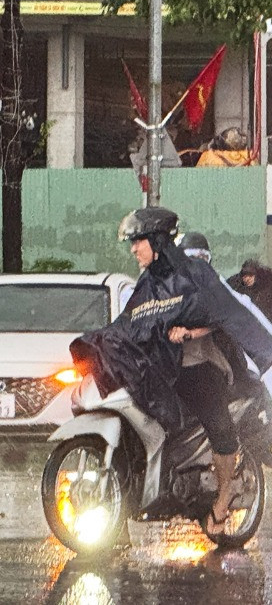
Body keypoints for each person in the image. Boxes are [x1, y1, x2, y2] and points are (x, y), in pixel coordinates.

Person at [118, 208, 241, 536]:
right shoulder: (155, 285)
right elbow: (133, 321)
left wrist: (190, 331)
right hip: (167, 373)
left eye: (202, 256)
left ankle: (225, 494)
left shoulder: (206, 284)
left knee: (220, 428)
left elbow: (223, 318)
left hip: (205, 369)